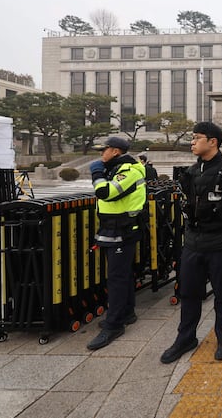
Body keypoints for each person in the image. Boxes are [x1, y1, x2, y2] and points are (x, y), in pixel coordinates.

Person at [161, 121, 222, 364]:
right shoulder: (191, 173)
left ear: (212, 141)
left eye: (197, 138)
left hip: (221, 243)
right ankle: (186, 338)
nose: (192, 142)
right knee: (189, 292)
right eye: (192, 138)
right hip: (193, 242)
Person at [86, 136, 147, 350]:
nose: (101, 154)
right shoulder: (117, 169)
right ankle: (127, 312)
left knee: (117, 278)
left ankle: (114, 325)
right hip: (113, 229)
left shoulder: (129, 171)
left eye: (104, 150)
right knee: (123, 275)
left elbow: (106, 193)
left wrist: (96, 172)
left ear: (115, 151)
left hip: (122, 231)